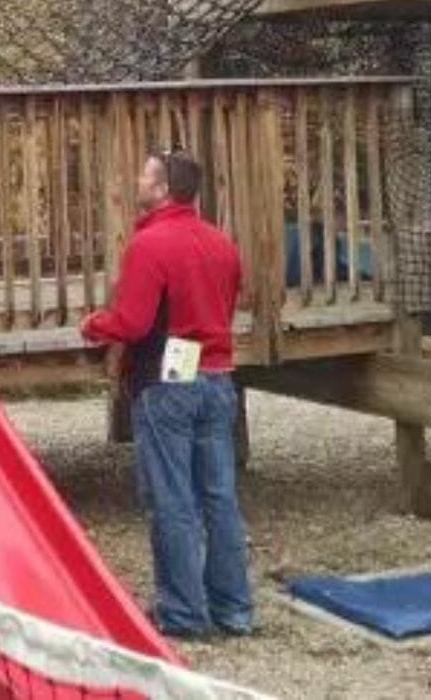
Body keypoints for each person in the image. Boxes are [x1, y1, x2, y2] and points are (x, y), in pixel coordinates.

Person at [79, 149, 254, 640]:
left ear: (162, 189)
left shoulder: (149, 245)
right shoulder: (222, 243)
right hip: (217, 376)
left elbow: (132, 322)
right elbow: (225, 305)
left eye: (145, 175)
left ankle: (183, 613)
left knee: (173, 499)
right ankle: (233, 609)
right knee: (219, 497)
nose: (137, 181)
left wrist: (93, 325)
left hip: (167, 381)